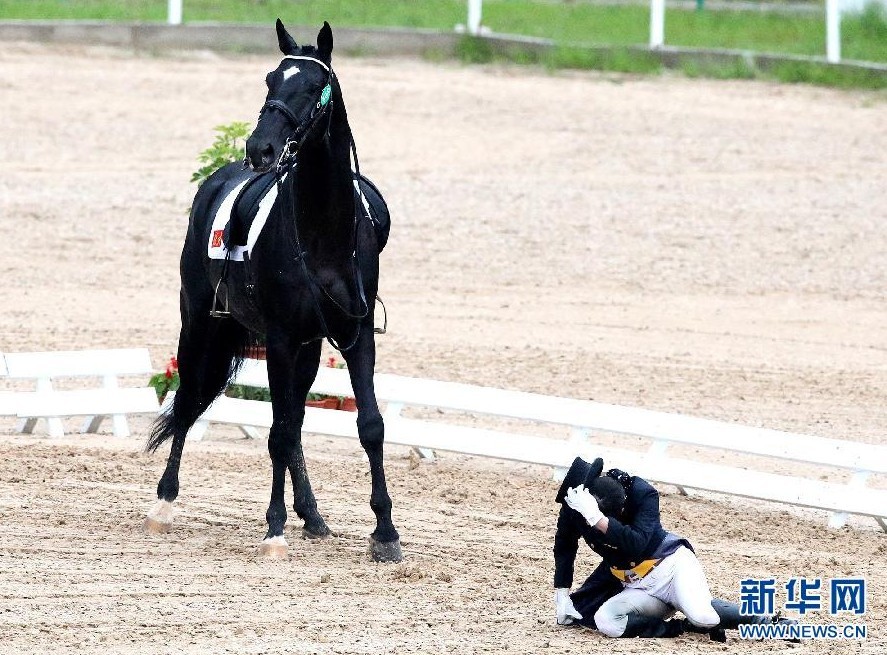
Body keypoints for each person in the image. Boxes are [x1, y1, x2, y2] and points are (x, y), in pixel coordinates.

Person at [552, 456, 797, 640]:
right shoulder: (575, 508)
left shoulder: (641, 493)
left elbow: (637, 543)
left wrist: (597, 519)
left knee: (704, 616)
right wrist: (562, 592)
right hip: (633, 583)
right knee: (605, 620)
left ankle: (770, 622)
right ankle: (679, 627)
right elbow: (564, 545)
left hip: (670, 566)